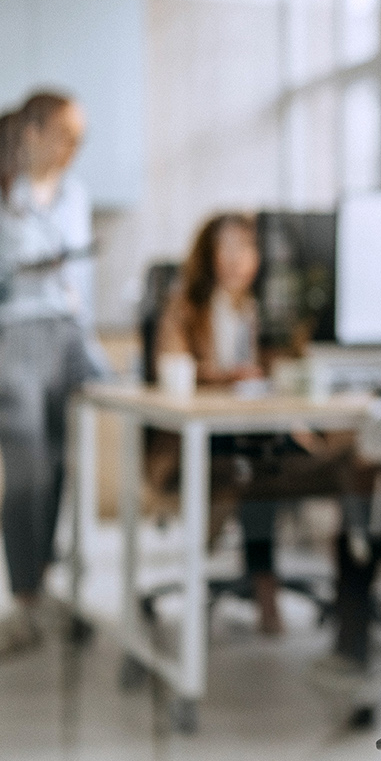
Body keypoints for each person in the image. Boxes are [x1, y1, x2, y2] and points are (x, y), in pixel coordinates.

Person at [0, 91, 111, 662]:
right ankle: (23, 602)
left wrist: (90, 350)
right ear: (33, 133)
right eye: (65, 136)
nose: (73, 148)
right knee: (27, 473)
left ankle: (41, 591)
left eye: (80, 139)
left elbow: (81, 286)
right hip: (13, 341)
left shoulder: (76, 196)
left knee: (59, 469)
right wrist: (10, 273)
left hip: (67, 341)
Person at [150, 213, 344, 634]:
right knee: (260, 466)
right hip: (203, 436)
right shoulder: (185, 308)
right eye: (229, 248)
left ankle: (341, 591)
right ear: (209, 255)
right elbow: (171, 366)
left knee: (298, 460)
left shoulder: (265, 310)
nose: (239, 259)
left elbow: (284, 369)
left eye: (248, 248)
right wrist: (225, 377)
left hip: (260, 430)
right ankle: (265, 586)